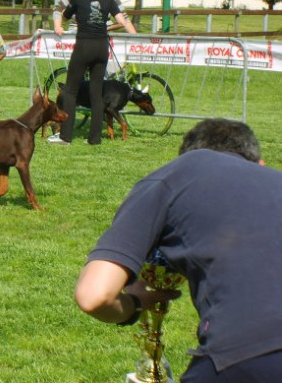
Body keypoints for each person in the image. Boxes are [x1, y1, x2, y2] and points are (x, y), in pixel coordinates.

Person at [74, 118, 282, 382]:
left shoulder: (178, 174)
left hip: (249, 354)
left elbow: (94, 295)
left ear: (185, 157)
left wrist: (135, 303)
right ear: (260, 164)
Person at [47, 0, 136, 146]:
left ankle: (65, 136)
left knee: (71, 91)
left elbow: (63, 15)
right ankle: (95, 138)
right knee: (96, 93)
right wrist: (135, 36)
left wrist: (58, 26)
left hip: (84, 46)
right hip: (101, 48)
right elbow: (122, 19)